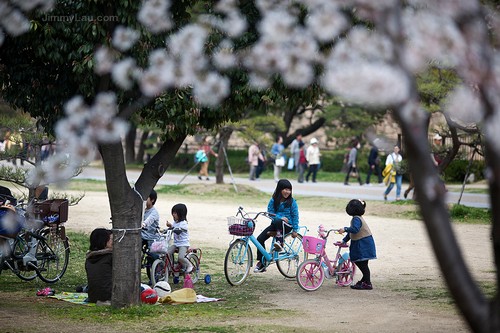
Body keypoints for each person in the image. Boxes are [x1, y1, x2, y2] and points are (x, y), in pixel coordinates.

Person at [254, 179, 299, 273]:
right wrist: (280, 217)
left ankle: (280, 242)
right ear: (279, 189)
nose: (287, 192)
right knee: (259, 239)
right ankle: (262, 262)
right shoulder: (273, 200)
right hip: (276, 224)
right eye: (285, 189)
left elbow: (295, 216)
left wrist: (295, 229)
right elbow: (270, 213)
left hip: (287, 225)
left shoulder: (292, 202)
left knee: (278, 221)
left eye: (289, 190)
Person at [337, 199, 376, 290]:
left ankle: (368, 283)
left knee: (361, 263)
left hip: (363, 243)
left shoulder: (356, 219)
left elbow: (354, 230)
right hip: (363, 242)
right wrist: (344, 240)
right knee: (363, 264)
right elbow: (352, 233)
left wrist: (345, 228)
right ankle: (364, 281)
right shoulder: (357, 218)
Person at [85, 228, 113, 303]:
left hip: (93, 297)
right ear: (103, 241)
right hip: (110, 296)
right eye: (111, 239)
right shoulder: (111, 256)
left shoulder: (89, 257)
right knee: (144, 289)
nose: (113, 242)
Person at [166, 203, 193, 273]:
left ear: (181, 214)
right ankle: (171, 266)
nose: (173, 215)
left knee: (180, 257)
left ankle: (189, 265)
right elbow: (173, 228)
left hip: (183, 244)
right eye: (173, 213)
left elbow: (178, 230)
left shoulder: (184, 223)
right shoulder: (175, 222)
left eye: (175, 213)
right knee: (167, 253)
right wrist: (165, 230)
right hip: (176, 243)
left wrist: (171, 226)